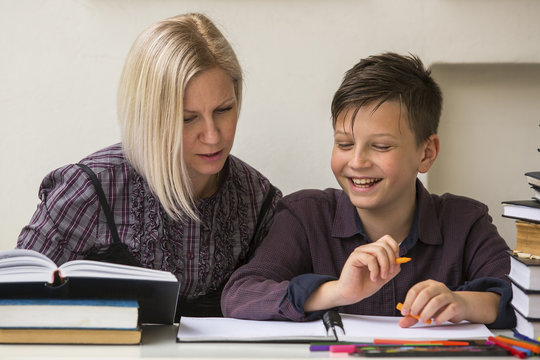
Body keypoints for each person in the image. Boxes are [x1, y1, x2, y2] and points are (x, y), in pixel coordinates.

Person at [221, 52, 515, 329]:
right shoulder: (305, 215)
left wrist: (463, 303)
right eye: (344, 144)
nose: (357, 162)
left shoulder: (465, 222)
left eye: (381, 146)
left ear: (426, 153)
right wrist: (337, 292)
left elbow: (523, 300)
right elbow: (239, 296)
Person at [17, 13, 281, 319]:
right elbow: (13, 302)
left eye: (224, 109)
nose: (212, 136)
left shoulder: (258, 200)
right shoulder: (89, 190)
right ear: (148, 116)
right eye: (187, 118)